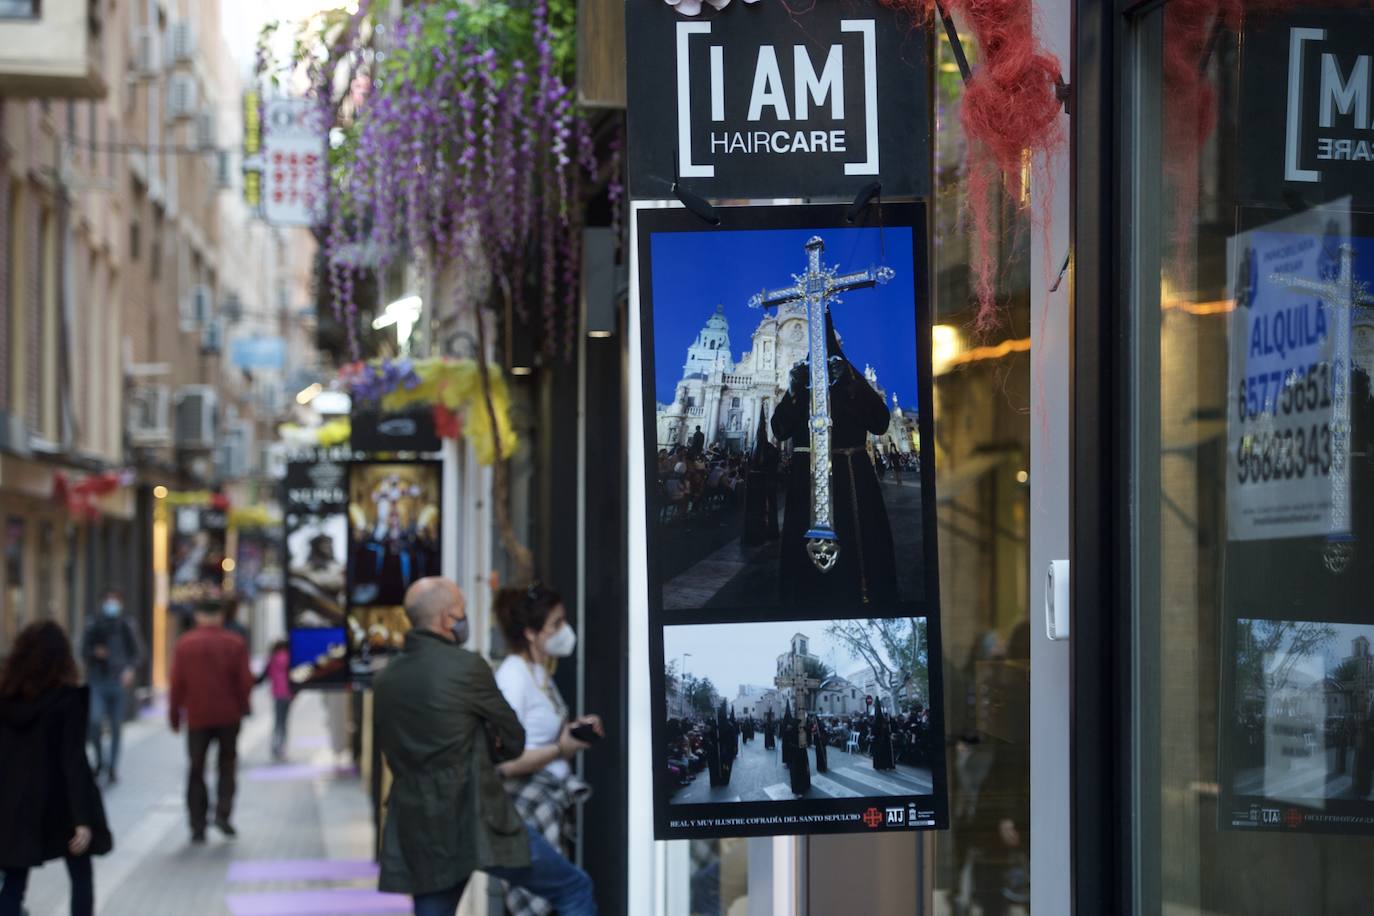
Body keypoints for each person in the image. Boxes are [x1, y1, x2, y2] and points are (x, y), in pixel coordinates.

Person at [374, 577, 596, 916]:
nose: (466, 618)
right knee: (573, 888)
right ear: (448, 618)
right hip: (478, 818)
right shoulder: (466, 667)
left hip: (421, 826)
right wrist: (485, 742)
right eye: (462, 609)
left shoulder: (386, 678)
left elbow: (390, 748)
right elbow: (513, 741)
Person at [771, 314, 898, 608]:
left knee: (857, 548)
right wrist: (792, 393)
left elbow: (880, 423)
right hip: (807, 482)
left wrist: (851, 385)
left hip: (850, 478)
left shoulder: (851, 378)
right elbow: (779, 430)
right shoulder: (800, 383)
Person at [493, 583, 603, 916]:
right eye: (555, 624)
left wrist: (574, 733)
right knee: (564, 893)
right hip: (526, 806)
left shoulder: (540, 673)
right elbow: (507, 761)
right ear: (530, 632)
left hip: (548, 802)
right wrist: (560, 747)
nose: (564, 631)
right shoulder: (514, 675)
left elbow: (546, 739)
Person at [0, 621, 112, 916]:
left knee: (13, 881)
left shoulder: (5, 697)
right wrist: (82, 819)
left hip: (14, 804)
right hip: (59, 802)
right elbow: (72, 760)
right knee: (80, 874)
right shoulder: (67, 700)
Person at [169, 600, 254, 843]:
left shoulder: (185, 644)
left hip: (197, 716)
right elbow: (245, 681)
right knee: (227, 765)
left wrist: (175, 715)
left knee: (196, 769)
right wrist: (243, 706)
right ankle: (223, 814)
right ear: (220, 616)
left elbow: (177, 684)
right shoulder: (235, 643)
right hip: (228, 715)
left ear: (198, 616)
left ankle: (197, 824)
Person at [80, 586, 145, 784]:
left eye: (115, 600)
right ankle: (100, 760)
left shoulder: (126, 624)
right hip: (97, 680)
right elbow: (83, 650)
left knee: (116, 726)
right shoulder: (93, 624)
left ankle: (112, 767)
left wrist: (129, 670)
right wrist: (94, 654)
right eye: (108, 600)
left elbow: (138, 653)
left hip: (117, 681)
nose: (111, 604)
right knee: (95, 721)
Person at [256, 640, 294, 762]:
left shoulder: (272, 659)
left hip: (277, 693)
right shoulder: (290, 658)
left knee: (278, 721)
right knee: (284, 721)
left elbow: (263, 676)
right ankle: (281, 747)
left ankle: (275, 747)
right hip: (288, 693)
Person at [872, 699, 896, 771]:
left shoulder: (880, 720)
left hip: (883, 739)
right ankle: (884, 765)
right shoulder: (880, 720)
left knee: (883, 753)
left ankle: (883, 765)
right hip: (881, 739)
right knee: (882, 753)